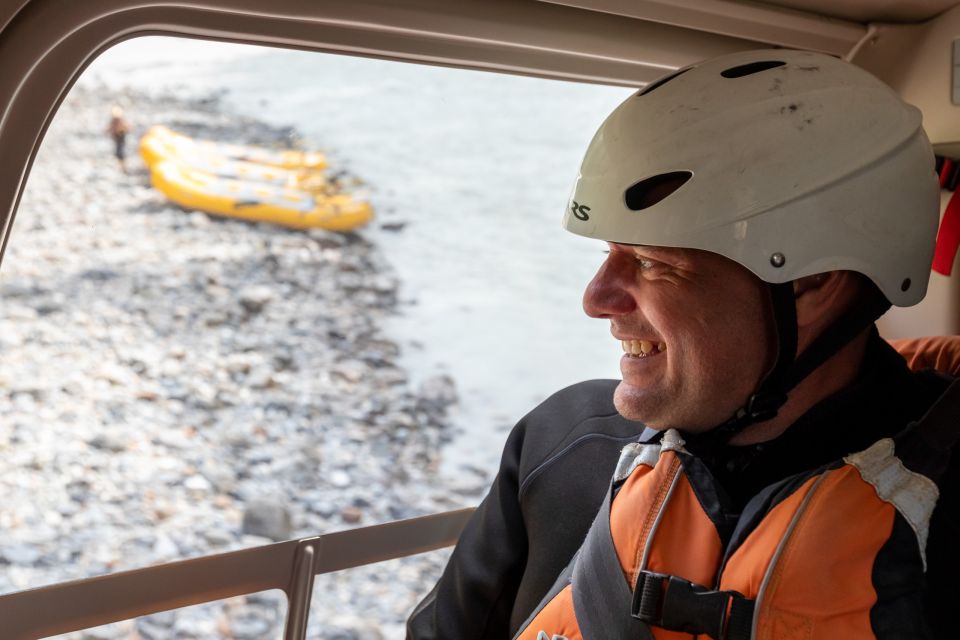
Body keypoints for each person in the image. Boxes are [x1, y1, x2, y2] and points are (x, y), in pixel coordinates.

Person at [407, 49, 960, 639]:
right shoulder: (563, 444)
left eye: (651, 262)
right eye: (608, 255)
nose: (596, 299)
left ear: (813, 282)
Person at [106, 105, 131, 173]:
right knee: (118, 153)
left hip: (121, 139)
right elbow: (110, 128)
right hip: (117, 140)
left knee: (121, 152)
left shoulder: (121, 122)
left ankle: (123, 167)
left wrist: (121, 131)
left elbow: (128, 128)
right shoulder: (114, 122)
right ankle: (121, 167)